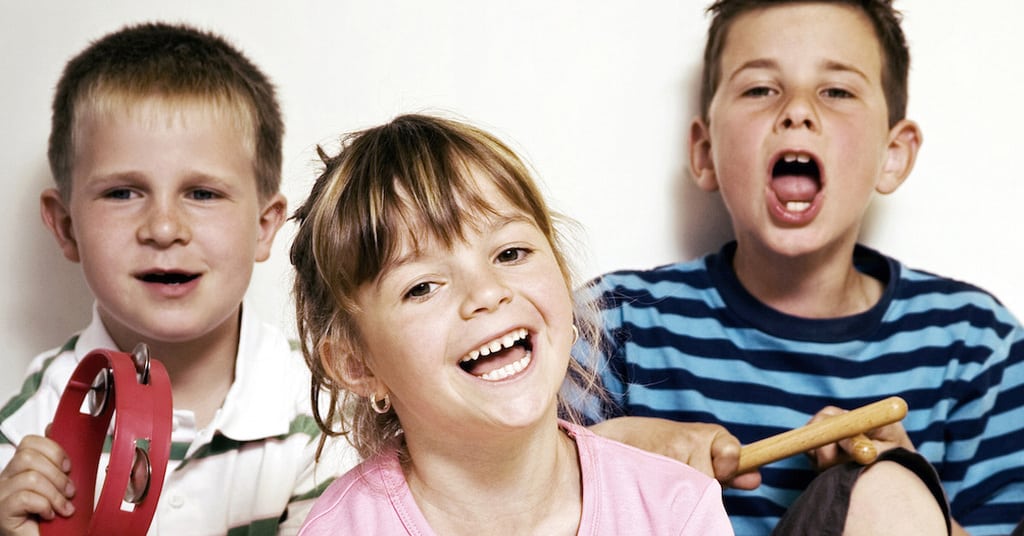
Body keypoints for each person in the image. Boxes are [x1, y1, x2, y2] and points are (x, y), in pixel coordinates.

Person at [585, 1, 1023, 535]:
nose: (796, 111)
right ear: (704, 151)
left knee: (888, 488)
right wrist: (605, 456)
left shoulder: (975, 346)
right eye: (760, 89)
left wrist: (910, 495)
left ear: (893, 154)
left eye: (836, 91)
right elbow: (497, 487)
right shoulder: (617, 324)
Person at [289, 113, 733, 535]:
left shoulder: (677, 510)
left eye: (510, 254)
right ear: (357, 365)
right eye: (422, 287)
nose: (486, 292)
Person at [0, 22, 356, 535]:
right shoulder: (33, 428)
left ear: (263, 227)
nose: (164, 228)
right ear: (66, 226)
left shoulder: (321, 412)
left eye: (203, 194)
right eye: (122, 193)